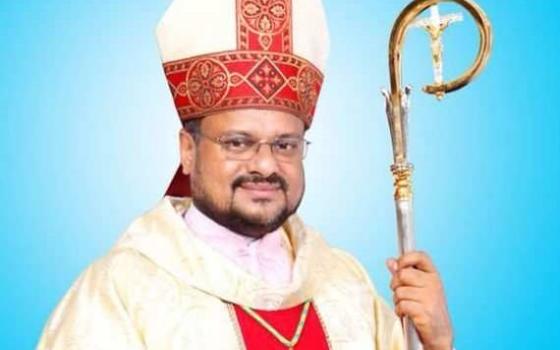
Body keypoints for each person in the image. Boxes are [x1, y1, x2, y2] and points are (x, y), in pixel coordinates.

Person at [37, 0, 453, 349]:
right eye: (238, 142)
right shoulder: (120, 291)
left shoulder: (345, 284)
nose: (266, 165)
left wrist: (435, 344)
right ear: (188, 150)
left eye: (285, 144)